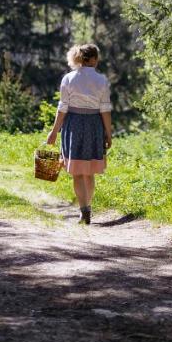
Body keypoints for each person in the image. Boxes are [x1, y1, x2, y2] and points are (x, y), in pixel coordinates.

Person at [46, 42, 112, 225]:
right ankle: (88, 208)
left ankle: (83, 210)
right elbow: (105, 109)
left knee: (77, 172)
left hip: (73, 125)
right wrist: (108, 133)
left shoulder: (68, 78)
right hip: (94, 125)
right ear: (93, 59)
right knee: (89, 172)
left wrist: (54, 131)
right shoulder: (102, 80)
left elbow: (62, 108)